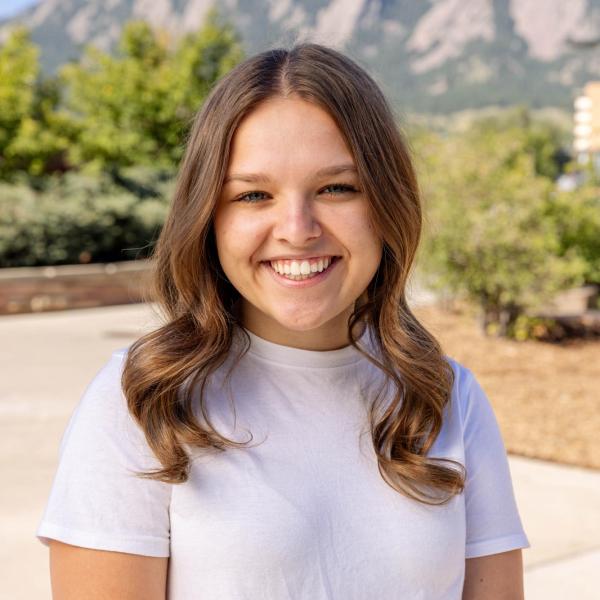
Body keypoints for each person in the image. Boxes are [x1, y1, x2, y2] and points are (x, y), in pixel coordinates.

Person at [36, 43, 530, 599]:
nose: (297, 228)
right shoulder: (141, 401)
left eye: (336, 188)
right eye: (253, 194)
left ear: (388, 204)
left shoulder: (448, 397)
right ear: (209, 218)